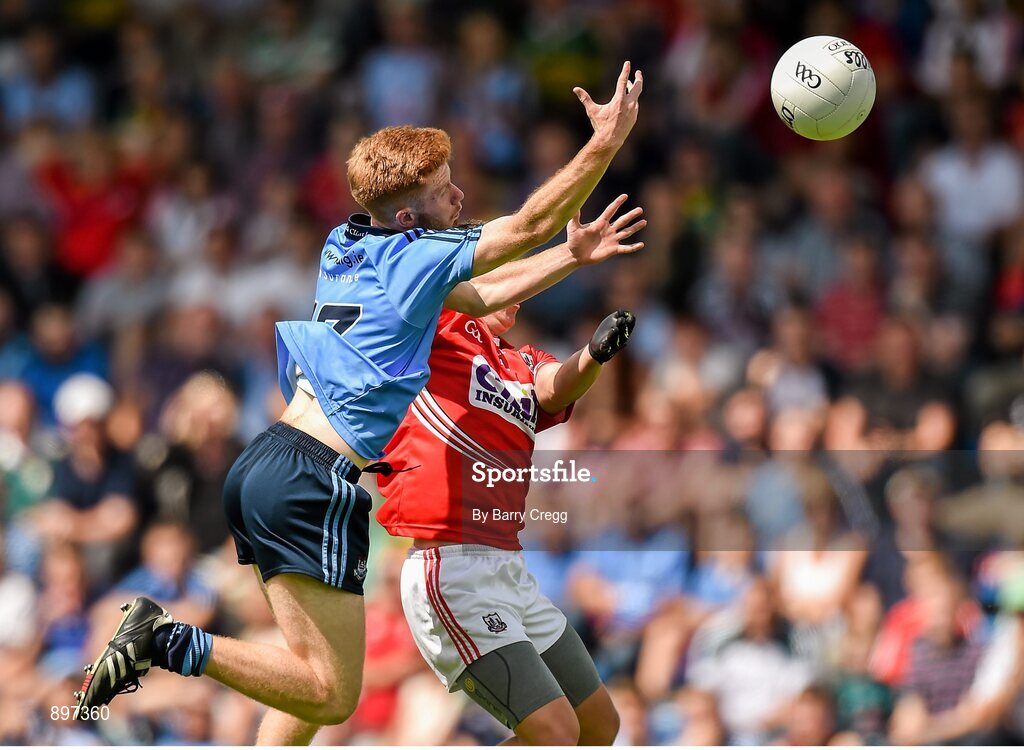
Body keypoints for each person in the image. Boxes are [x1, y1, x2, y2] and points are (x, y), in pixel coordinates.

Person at [76, 61, 644, 745]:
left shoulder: (346, 242)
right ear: (407, 217)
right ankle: (165, 640)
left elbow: (486, 292)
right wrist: (605, 144)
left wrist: (571, 258)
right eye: (443, 193)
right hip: (313, 477)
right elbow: (528, 224)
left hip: (271, 464)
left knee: (306, 688)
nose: (460, 197)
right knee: (329, 694)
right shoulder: (414, 257)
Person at [372, 196, 643, 744]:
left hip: (509, 569)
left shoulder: (520, 361)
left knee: (598, 724)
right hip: (448, 567)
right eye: (506, 277)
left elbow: (552, 388)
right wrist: (565, 255)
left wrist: (592, 354)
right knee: (553, 729)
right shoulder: (432, 328)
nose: (517, 299)